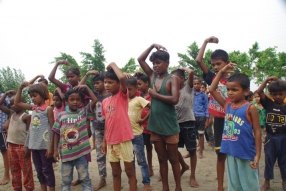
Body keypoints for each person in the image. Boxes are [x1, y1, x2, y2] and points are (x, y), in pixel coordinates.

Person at [209, 64, 261, 191]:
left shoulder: (250, 107)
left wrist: (257, 155)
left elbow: (258, 132)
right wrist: (221, 71)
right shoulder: (227, 105)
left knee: (249, 185)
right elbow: (212, 89)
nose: (230, 93)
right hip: (231, 152)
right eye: (228, 89)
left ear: (246, 91)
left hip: (246, 153)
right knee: (234, 186)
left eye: (234, 90)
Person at [138, 44, 181, 191]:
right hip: (155, 125)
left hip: (169, 126)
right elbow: (140, 59)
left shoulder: (172, 79)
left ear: (167, 63)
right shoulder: (152, 77)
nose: (155, 66)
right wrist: (152, 46)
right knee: (162, 159)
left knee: (174, 158)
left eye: (158, 62)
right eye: (154, 63)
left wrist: (155, 95)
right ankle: (165, 187)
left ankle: (178, 187)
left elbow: (175, 99)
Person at [49, 60, 89, 186]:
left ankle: (82, 177)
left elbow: (88, 105)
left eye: (72, 76)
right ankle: (76, 177)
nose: (70, 79)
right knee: (70, 145)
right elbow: (51, 78)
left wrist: (87, 125)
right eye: (68, 77)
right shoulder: (65, 88)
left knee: (82, 150)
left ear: (78, 76)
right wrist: (57, 64)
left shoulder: (83, 88)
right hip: (68, 121)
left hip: (81, 121)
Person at [196, 36, 228, 191]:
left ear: (227, 64)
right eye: (213, 64)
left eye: (219, 64)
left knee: (234, 155)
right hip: (220, 121)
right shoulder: (213, 78)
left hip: (233, 119)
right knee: (220, 155)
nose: (215, 67)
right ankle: (220, 186)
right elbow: (198, 61)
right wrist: (205, 42)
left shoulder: (235, 79)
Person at [53, 84, 96, 191]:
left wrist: (86, 87)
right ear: (66, 101)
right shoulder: (61, 115)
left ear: (81, 101)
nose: (75, 102)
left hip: (81, 154)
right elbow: (56, 132)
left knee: (85, 178)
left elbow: (94, 100)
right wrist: (55, 150)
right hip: (66, 155)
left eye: (78, 99)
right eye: (72, 99)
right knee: (66, 180)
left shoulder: (83, 112)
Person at [101, 62, 136, 191]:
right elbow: (107, 122)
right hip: (111, 141)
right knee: (115, 172)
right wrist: (104, 141)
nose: (106, 85)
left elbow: (122, 78)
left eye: (110, 82)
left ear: (117, 84)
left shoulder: (122, 95)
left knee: (129, 171)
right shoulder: (105, 101)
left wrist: (113, 64)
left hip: (123, 139)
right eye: (105, 82)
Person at [15, 82, 55, 191]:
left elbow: (53, 128)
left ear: (42, 94)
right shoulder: (33, 109)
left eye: (35, 96)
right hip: (34, 146)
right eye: (31, 96)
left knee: (47, 170)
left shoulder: (48, 109)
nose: (32, 98)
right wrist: (20, 87)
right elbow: (17, 102)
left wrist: (51, 147)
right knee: (39, 171)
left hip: (45, 146)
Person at [79, 70, 110, 191]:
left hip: (111, 130)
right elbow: (79, 88)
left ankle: (117, 178)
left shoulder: (111, 95)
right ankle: (103, 179)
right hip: (98, 129)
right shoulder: (95, 96)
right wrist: (87, 75)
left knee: (114, 155)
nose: (96, 85)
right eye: (94, 84)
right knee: (100, 155)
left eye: (98, 83)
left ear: (104, 82)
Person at [0, 90, 34, 190]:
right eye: (11, 104)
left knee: (26, 170)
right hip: (11, 146)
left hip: (22, 147)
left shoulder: (26, 116)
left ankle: (29, 188)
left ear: (22, 103)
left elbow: (31, 132)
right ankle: (17, 188)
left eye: (15, 103)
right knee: (14, 170)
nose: (13, 106)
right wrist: (5, 94)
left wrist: (28, 146)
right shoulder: (11, 113)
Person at [256, 76, 286, 191]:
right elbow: (259, 91)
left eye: (280, 94)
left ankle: (284, 182)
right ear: (271, 94)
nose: (277, 96)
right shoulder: (268, 104)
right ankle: (267, 182)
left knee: (284, 161)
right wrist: (266, 80)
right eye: (274, 94)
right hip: (270, 138)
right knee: (269, 160)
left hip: (284, 137)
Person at [171, 68, 199, 187]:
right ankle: (184, 165)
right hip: (175, 123)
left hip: (188, 122)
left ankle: (192, 176)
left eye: (175, 79)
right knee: (173, 149)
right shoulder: (172, 90)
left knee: (192, 150)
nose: (172, 81)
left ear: (182, 79)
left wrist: (182, 68)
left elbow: (191, 73)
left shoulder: (188, 88)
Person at [125, 77, 151, 191]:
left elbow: (152, 107)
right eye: (125, 90)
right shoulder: (123, 100)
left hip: (137, 135)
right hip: (125, 137)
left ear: (136, 88)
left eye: (130, 89)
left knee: (141, 160)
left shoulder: (139, 99)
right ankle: (133, 181)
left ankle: (146, 182)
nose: (127, 92)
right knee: (129, 161)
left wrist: (144, 119)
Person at [135, 72, 154, 177]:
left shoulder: (152, 94)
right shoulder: (138, 95)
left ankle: (160, 170)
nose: (138, 86)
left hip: (152, 126)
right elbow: (129, 86)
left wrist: (144, 119)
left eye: (140, 84)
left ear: (147, 83)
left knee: (160, 150)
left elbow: (153, 108)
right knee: (148, 148)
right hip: (143, 128)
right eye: (137, 84)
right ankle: (150, 168)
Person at [193, 77, 209, 159]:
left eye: (198, 84)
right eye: (194, 84)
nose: (196, 85)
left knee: (201, 134)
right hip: (192, 116)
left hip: (201, 116)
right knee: (192, 134)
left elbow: (206, 107)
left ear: (200, 84)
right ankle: (191, 151)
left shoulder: (204, 95)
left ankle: (201, 152)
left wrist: (207, 119)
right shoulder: (190, 94)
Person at [0, 91, 10, 186]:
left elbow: (14, 106)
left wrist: (8, 122)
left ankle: (7, 175)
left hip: (1, 128)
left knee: (4, 151)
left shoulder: (3, 95)